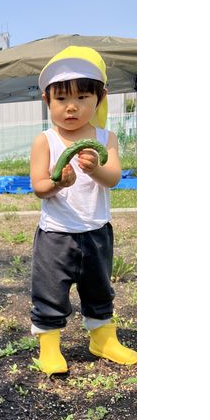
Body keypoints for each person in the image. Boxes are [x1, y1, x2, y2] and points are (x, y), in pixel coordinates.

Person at [29, 46, 137, 375]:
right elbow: (38, 187)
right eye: (61, 99)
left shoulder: (106, 138)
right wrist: (58, 182)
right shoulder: (45, 141)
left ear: (99, 99)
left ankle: (102, 339)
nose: (71, 107)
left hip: (96, 230)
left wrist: (94, 170)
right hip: (56, 234)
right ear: (48, 100)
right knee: (50, 290)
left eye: (82, 99)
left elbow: (114, 177)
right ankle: (49, 347)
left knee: (99, 287)